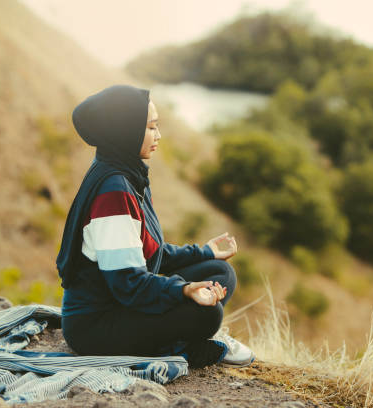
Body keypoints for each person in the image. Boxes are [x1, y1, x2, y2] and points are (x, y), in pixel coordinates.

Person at [56, 84, 255, 368]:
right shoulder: (114, 192)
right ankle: (187, 347)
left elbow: (151, 254)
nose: (158, 135)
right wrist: (184, 290)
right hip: (97, 327)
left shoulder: (126, 173)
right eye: (151, 127)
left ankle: (177, 336)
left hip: (122, 300)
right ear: (126, 130)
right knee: (207, 315)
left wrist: (204, 253)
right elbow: (129, 285)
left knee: (219, 272)